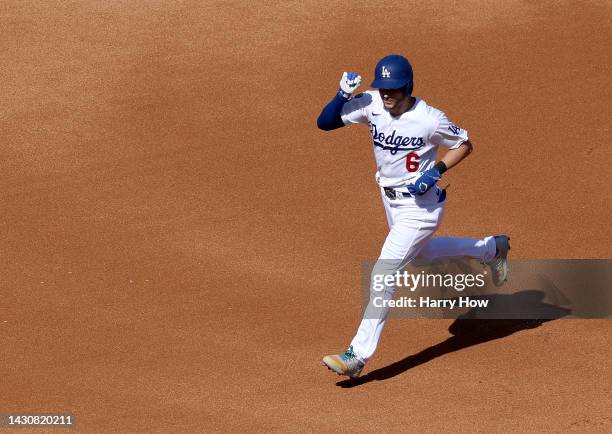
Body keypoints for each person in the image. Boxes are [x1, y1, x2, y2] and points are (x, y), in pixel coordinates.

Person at [317, 54, 510, 379]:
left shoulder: (429, 119)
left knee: (384, 272)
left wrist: (436, 170)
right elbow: (325, 123)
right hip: (390, 201)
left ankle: (357, 355)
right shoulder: (372, 103)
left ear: (407, 87)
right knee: (421, 256)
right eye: (383, 88)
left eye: (394, 89)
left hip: (421, 208)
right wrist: (342, 95)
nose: (388, 94)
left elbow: (464, 143)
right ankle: (491, 248)